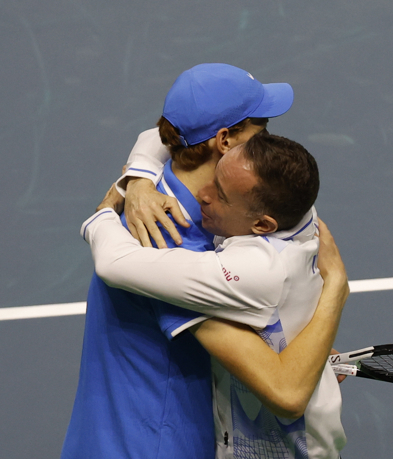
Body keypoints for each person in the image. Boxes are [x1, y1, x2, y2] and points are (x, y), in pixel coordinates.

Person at [61, 63, 347, 459]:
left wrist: (138, 177)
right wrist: (336, 289)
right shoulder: (172, 243)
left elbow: (154, 137)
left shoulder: (164, 182)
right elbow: (286, 390)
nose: (268, 139)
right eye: (259, 129)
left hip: (103, 437)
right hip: (155, 445)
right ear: (225, 140)